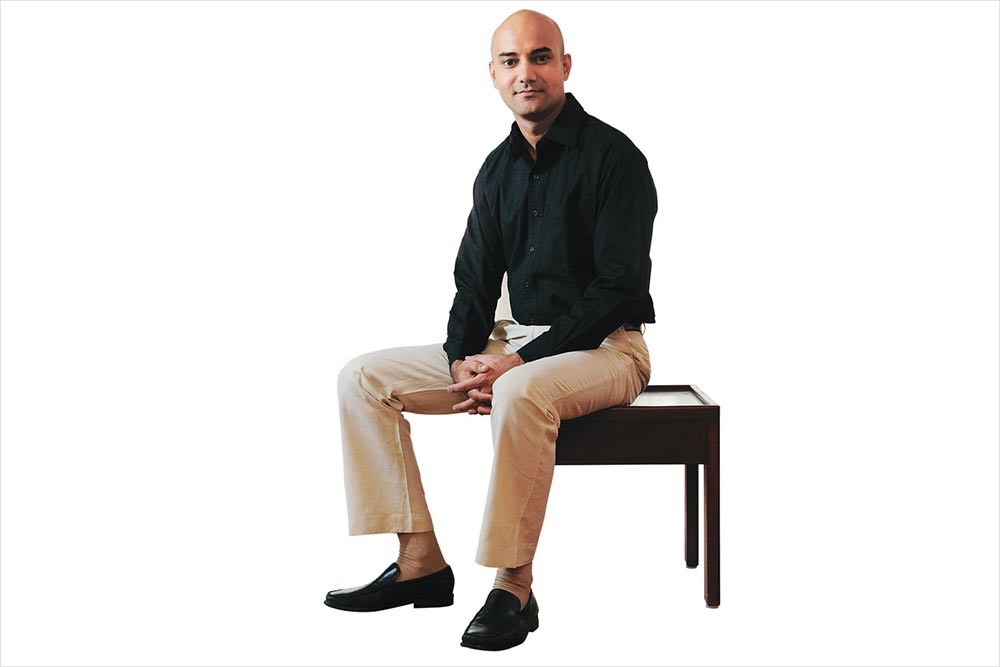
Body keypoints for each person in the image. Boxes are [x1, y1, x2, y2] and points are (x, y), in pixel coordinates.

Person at [325, 9, 657, 651]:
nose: (525, 73)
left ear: (565, 65)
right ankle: (420, 562)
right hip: (511, 347)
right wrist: (460, 359)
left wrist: (518, 364)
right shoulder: (496, 169)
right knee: (362, 378)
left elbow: (617, 287)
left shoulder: (616, 158)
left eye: (539, 57)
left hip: (608, 348)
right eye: (511, 61)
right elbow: (473, 282)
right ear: (494, 75)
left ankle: (514, 586)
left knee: (518, 389)